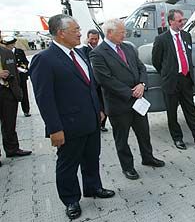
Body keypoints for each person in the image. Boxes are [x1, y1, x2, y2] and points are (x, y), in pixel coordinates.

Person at [29, 14, 114, 220]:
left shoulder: (81, 54)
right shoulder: (44, 60)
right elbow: (44, 99)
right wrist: (54, 129)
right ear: (61, 33)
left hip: (91, 119)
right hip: (68, 125)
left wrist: (99, 109)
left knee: (91, 158)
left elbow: (91, 85)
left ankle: (93, 187)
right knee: (68, 165)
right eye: (75, 30)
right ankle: (71, 200)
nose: (80, 33)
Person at [90, 18, 165, 181]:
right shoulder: (98, 53)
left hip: (138, 102)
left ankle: (148, 157)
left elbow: (141, 67)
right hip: (119, 104)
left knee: (144, 133)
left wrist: (142, 85)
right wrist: (130, 92)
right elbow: (105, 79)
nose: (125, 34)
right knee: (121, 138)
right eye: (121, 32)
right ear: (109, 33)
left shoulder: (128, 48)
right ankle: (128, 167)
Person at [152, 9, 195, 150]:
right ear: (171, 22)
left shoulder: (186, 36)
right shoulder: (161, 39)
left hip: (186, 79)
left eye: (183, 20)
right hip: (171, 81)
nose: (182, 23)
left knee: (191, 110)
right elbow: (156, 61)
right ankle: (178, 139)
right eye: (179, 21)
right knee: (172, 113)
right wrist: (167, 73)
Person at [0, 38, 32, 168]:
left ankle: (12, 148)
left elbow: (15, 73)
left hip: (7, 92)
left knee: (9, 122)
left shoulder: (7, 52)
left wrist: (17, 91)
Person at [80, 29, 108, 132]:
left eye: (96, 39)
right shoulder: (84, 50)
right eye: (92, 39)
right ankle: (96, 122)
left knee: (104, 103)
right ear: (88, 38)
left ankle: (102, 124)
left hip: (101, 81)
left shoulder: (101, 49)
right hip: (91, 82)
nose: (94, 41)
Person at [2, 37, 31, 117]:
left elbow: (25, 62)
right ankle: (10, 112)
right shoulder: (4, 53)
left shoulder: (19, 52)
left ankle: (26, 110)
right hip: (9, 78)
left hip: (21, 76)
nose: (9, 47)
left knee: (24, 93)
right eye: (7, 45)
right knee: (10, 95)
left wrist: (22, 68)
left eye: (11, 45)